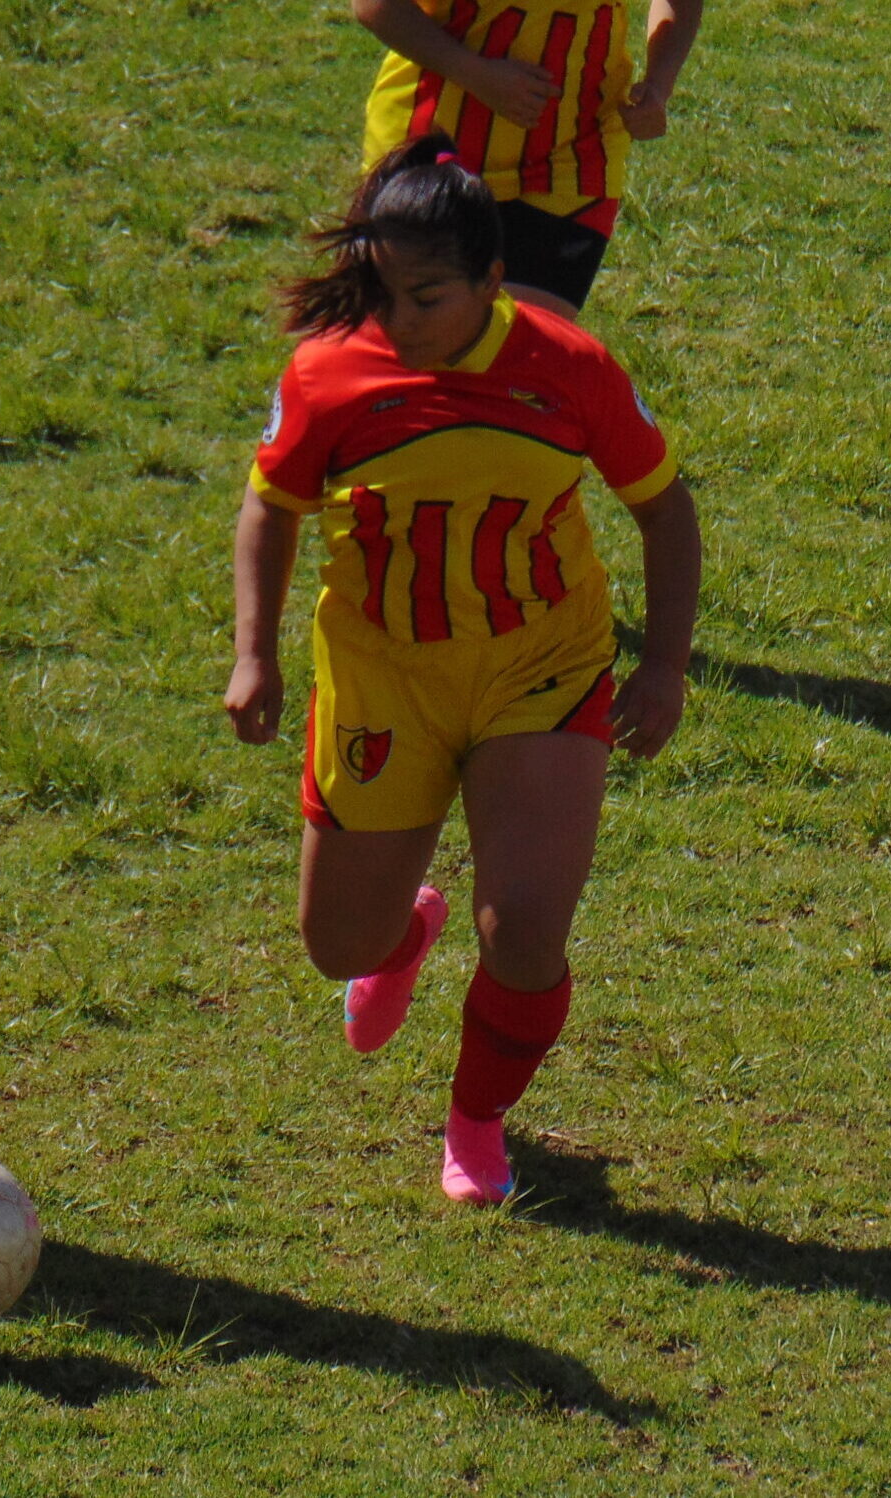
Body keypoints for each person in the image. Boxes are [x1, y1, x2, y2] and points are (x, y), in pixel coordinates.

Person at [223, 133, 700, 1204]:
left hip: (542, 665)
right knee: (336, 945)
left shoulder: (568, 367)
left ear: (492, 279)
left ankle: (476, 1123)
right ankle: (401, 938)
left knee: (524, 933)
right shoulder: (330, 372)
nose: (398, 322)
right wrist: (254, 652)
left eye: (427, 298)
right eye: (382, 294)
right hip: (383, 676)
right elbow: (270, 505)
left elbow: (666, 510)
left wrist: (664, 666)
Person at [353, 0, 703, 319]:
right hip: (434, 148)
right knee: (404, 338)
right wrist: (475, 74)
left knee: (520, 349)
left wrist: (658, 85)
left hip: (573, 158)